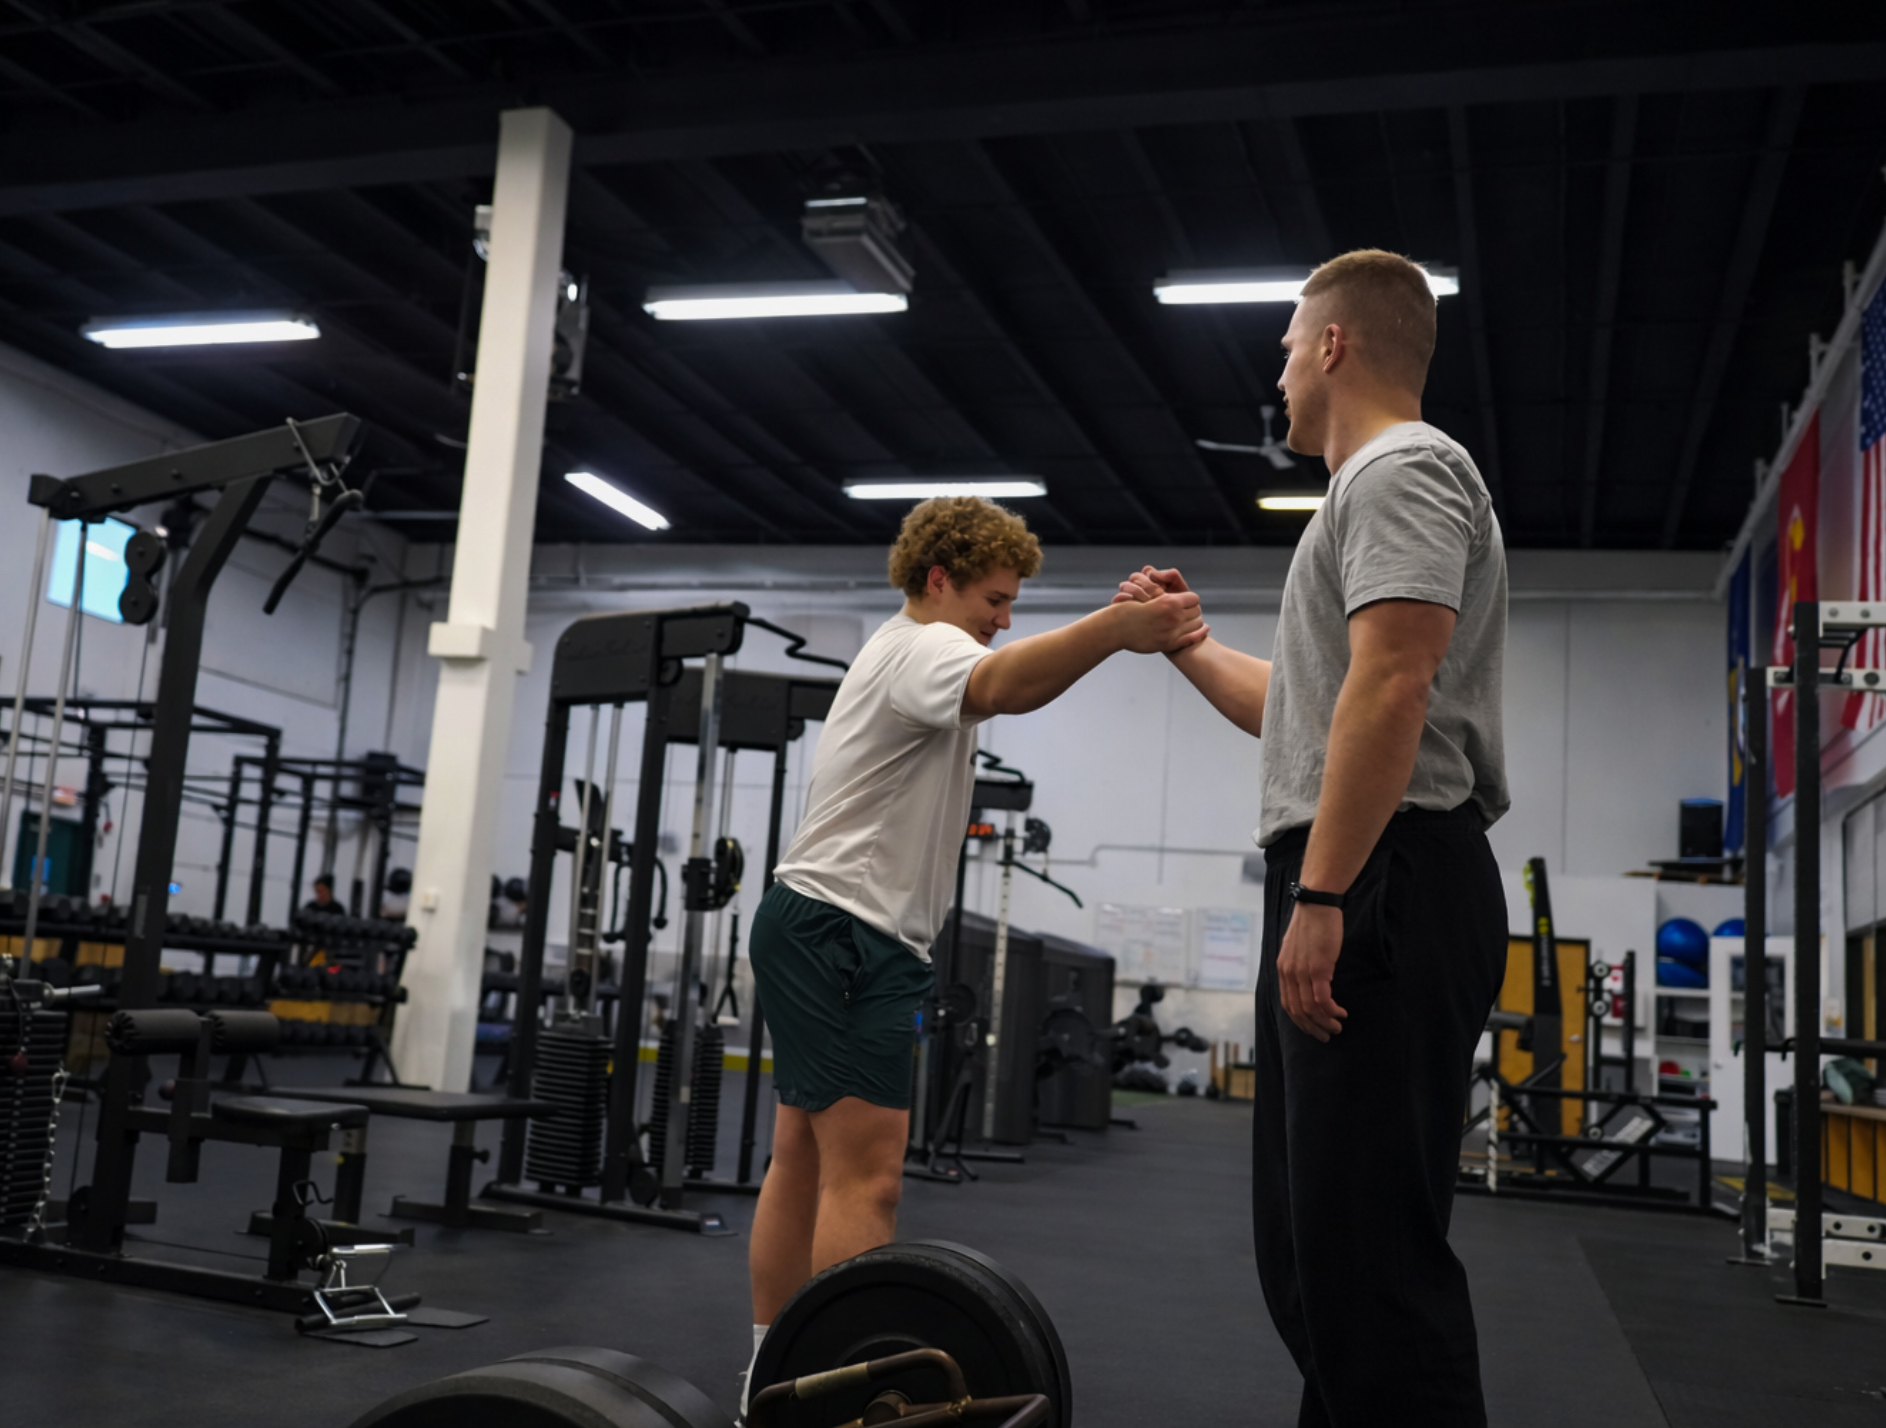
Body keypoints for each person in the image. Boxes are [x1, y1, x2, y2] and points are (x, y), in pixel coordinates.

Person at [1118, 249, 1509, 1426]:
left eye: (1286, 347)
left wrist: (1325, 898)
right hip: (1363, 868)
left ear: (1333, 344)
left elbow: (1392, 685)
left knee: (1366, 1275)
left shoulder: (1400, 467)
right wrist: (1184, 641)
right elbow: (1311, 718)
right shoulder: (1366, 492)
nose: (1278, 374)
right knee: (1315, 1269)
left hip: (1385, 880)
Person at [743, 496, 1205, 1408]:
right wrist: (1117, 628)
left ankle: (772, 1381)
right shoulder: (924, 648)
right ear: (940, 578)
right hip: (845, 933)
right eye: (994, 599)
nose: (1003, 619)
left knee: (802, 1155)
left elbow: (1001, 675)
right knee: (867, 1181)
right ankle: (835, 1398)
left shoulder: (899, 651)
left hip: (823, 922)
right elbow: (1005, 685)